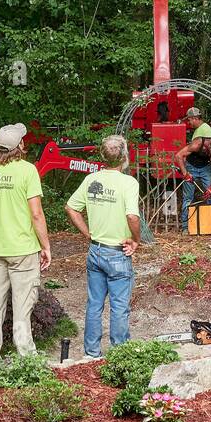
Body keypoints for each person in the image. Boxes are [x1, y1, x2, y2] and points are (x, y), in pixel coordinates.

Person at [0, 122, 51, 368]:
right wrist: (46, 246)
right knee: (22, 303)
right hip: (23, 249)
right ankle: (25, 356)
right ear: (19, 145)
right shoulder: (27, 171)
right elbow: (36, 214)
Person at [64, 135, 141, 358]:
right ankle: (119, 354)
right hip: (117, 253)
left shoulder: (91, 180)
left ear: (102, 156)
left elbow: (71, 208)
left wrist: (89, 234)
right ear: (125, 156)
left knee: (94, 304)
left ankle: (92, 353)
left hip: (96, 251)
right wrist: (136, 240)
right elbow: (132, 216)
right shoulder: (128, 183)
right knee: (119, 306)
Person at [176, 106, 211, 233]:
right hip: (191, 167)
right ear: (207, 148)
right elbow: (179, 155)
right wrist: (185, 174)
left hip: (206, 168)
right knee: (188, 197)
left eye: (190, 120)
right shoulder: (197, 143)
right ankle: (186, 227)